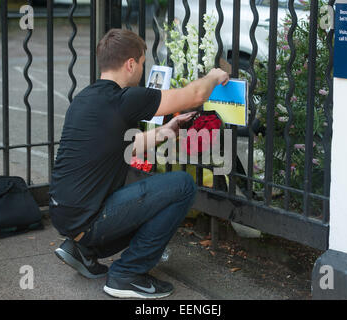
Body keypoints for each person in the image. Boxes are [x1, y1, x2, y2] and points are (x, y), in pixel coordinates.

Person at [49, 28, 229, 299]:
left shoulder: (86, 98)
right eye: (143, 63)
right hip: (90, 219)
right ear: (130, 63)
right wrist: (215, 75)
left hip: (65, 215)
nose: (142, 71)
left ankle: (83, 250)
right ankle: (127, 274)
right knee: (182, 185)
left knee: (149, 190)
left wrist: (164, 132)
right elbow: (194, 96)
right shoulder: (124, 98)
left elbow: (123, 145)